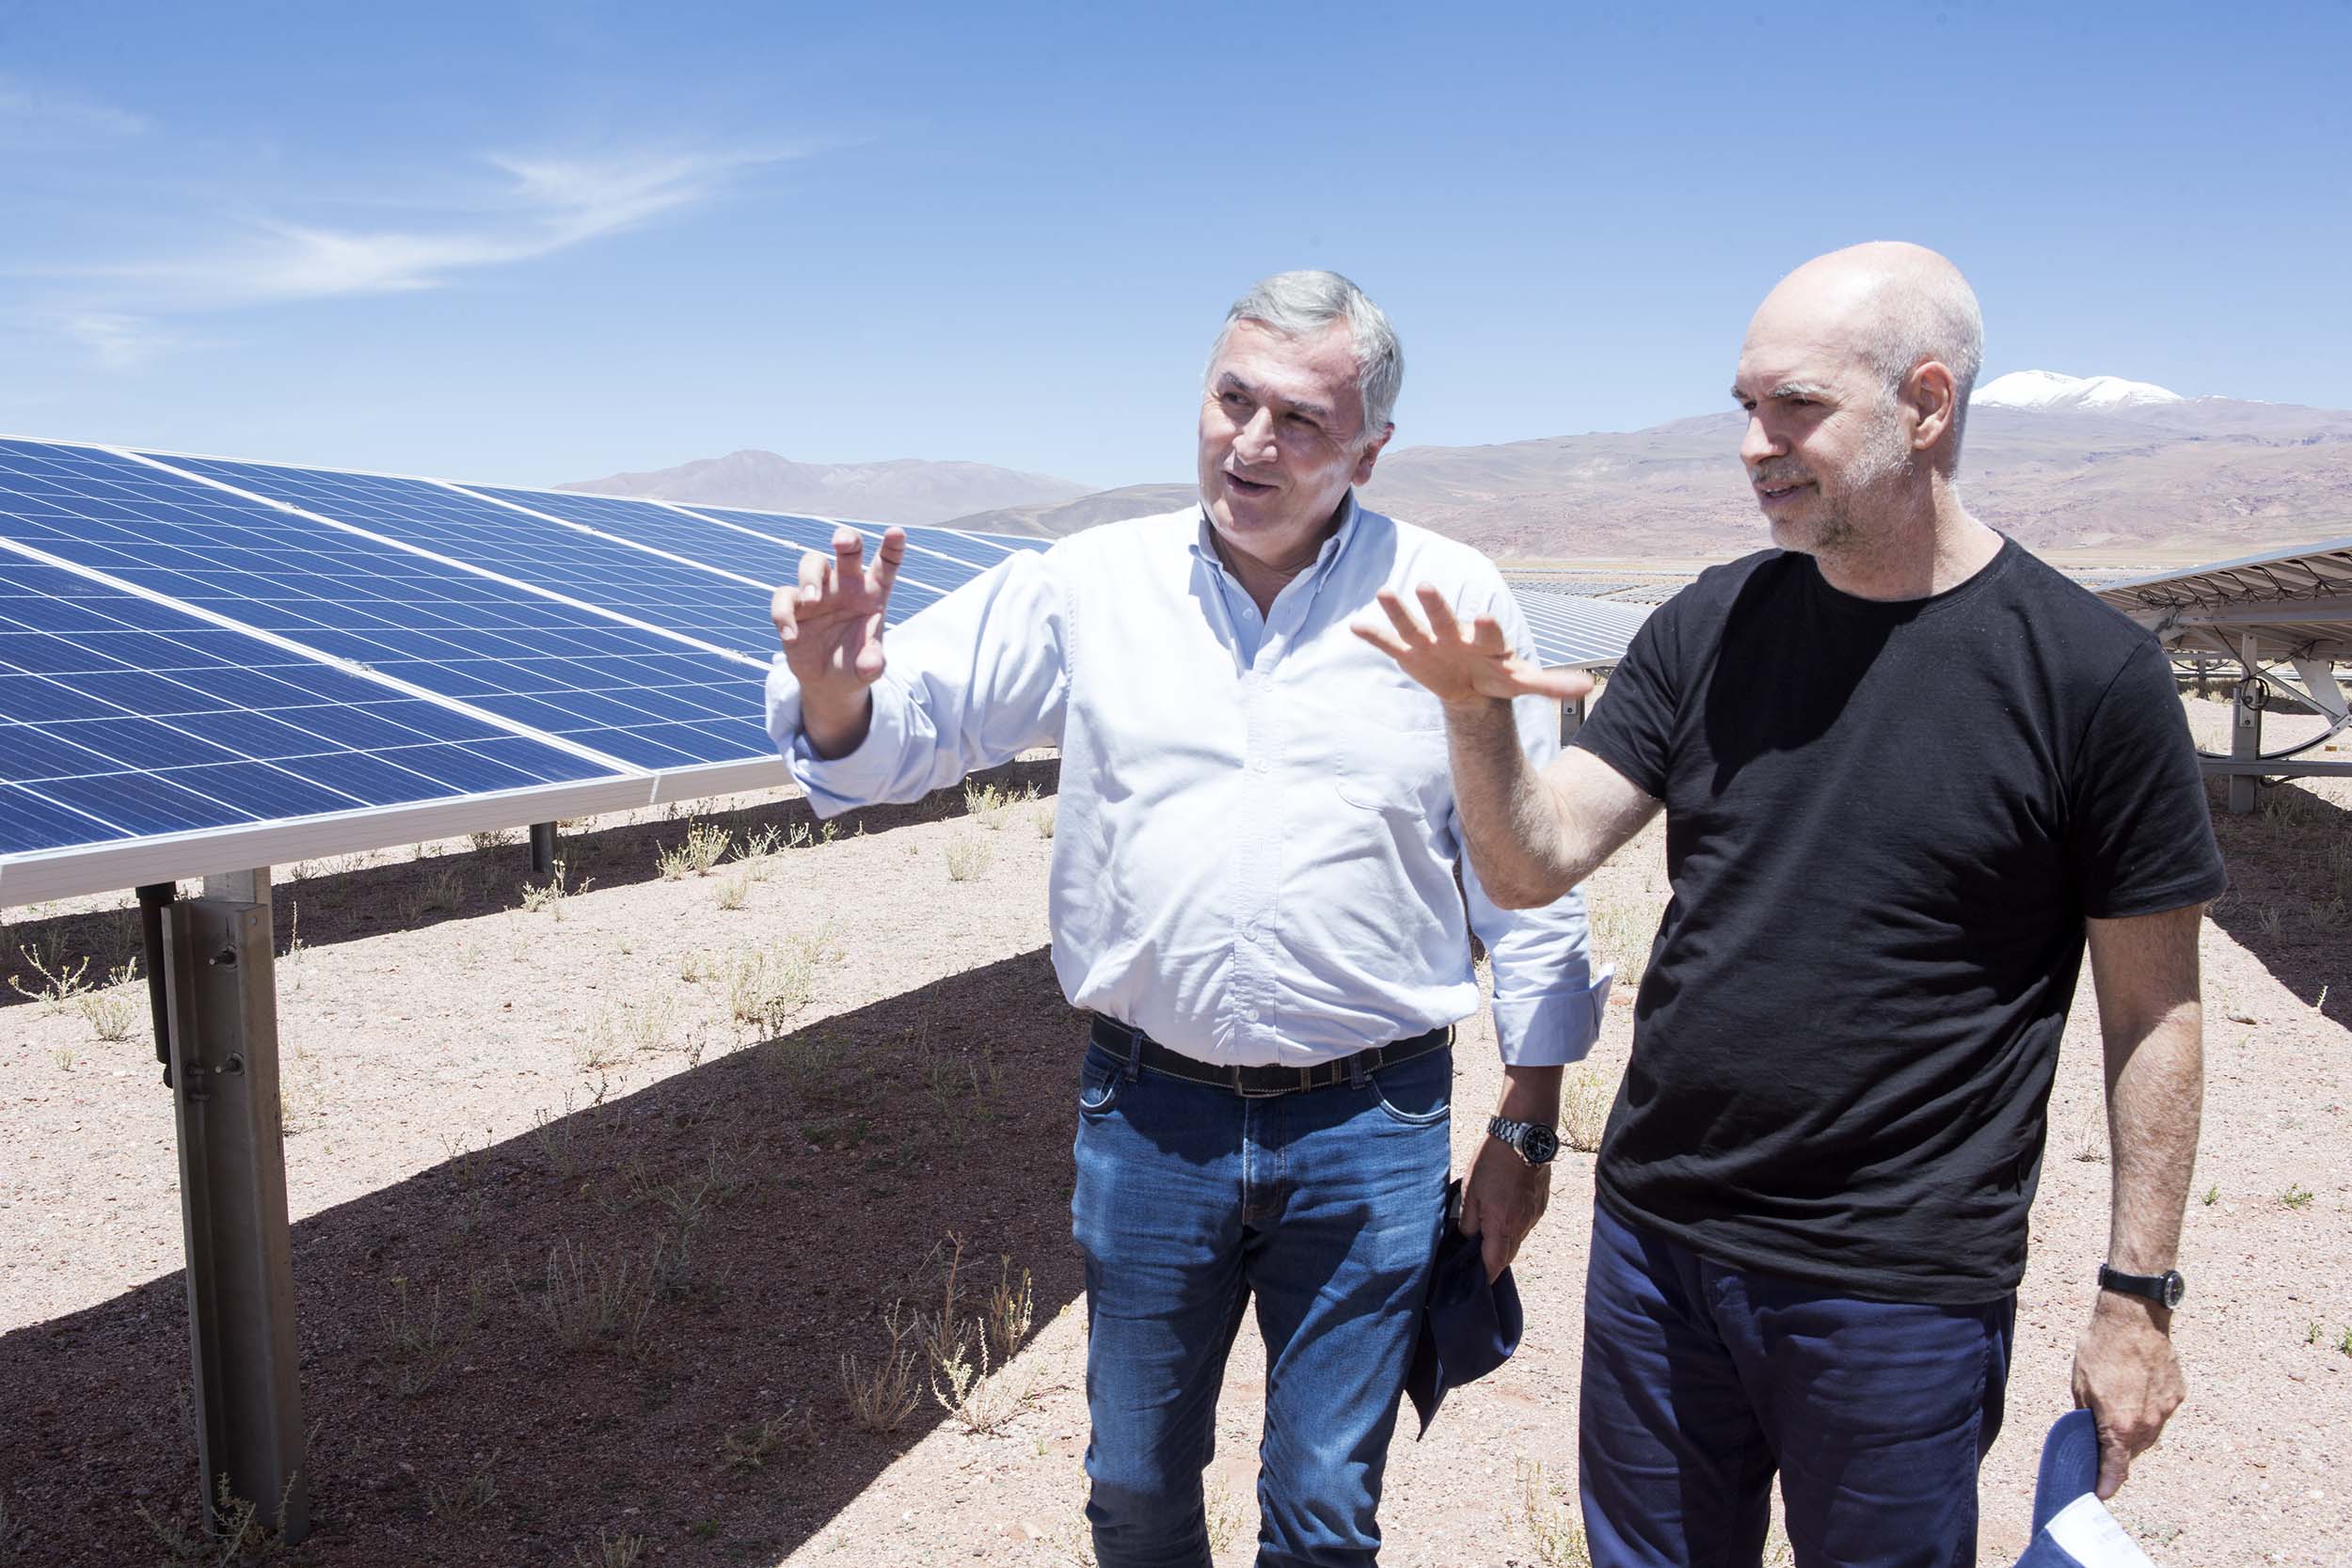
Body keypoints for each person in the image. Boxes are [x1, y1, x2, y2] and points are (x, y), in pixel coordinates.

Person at [1355, 242, 2221, 1567]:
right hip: (1659, 1247)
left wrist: (2137, 1293)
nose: (1755, 445)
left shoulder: (2090, 678)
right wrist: (1475, 722)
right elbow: (1532, 864)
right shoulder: (1710, 625)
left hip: (1897, 1288)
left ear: (1926, 405)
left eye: (1796, 408)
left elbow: (2154, 1011)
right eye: (1745, 408)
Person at [764, 270, 1609, 1568]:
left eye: (1300, 420)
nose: (1252, 442)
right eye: (1231, 400)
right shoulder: (1087, 585)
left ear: (1369, 450)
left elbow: (1524, 883)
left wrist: (1528, 1127)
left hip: (1371, 1126)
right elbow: (892, 736)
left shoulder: (1452, 600)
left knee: (1326, 1511)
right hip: (1152, 1119)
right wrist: (831, 689)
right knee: (1134, 1484)